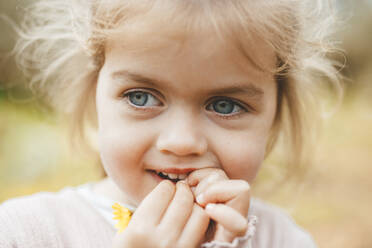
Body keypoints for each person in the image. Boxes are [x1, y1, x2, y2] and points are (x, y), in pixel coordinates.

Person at [0, 0, 342, 247]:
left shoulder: (281, 240)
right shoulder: (24, 233)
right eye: (141, 97)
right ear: (95, 95)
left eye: (225, 105)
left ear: (274, 116)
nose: (181, 142)